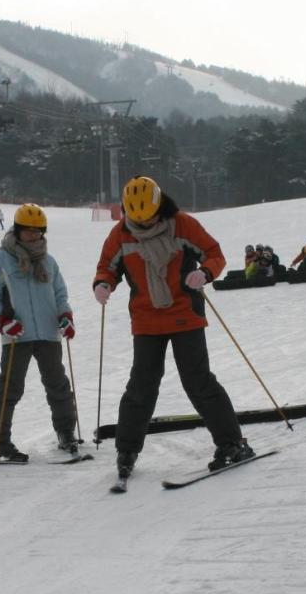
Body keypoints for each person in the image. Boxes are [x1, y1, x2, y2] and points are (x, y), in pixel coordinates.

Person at [93, 176, 252, 480]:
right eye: (136, 218)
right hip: (146, 320)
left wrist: (205, 273)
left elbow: (214, 254)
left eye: (149, 216)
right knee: (141, 385)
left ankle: (232, 443)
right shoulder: (121, 234)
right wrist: (103, 284)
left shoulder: (182, 225)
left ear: (159, 206)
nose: (143, 222)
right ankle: (126, 450)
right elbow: (107, 267)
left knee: (198, 381)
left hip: (184, 315)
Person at [0, 203, 79, 461]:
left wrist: (65, 317)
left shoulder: (48, 261)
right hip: (16, 335)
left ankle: (66, 432)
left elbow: (59, 294)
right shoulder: (1, 259)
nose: (33, 235)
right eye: (28, 231)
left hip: (47, 333)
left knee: (58, 386)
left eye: (38, 231)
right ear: (18, 230)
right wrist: (1, 321)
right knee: (10, 388)